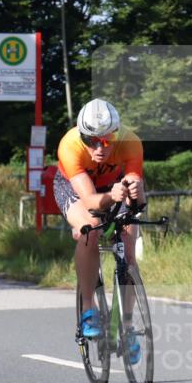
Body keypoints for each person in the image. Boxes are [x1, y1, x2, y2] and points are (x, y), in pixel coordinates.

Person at [53, 98, 146, 361]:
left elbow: (135, 190)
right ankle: (87, 310)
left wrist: (134, 191)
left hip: (115, 184)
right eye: (90, 140)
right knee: (90, 229)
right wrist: (112, 198)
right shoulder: (70, 146)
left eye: (106, 140)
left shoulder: (130, 142)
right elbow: (91, 200)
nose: (98, 148)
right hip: (76, 188)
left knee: (128, 251)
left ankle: (126, 328)